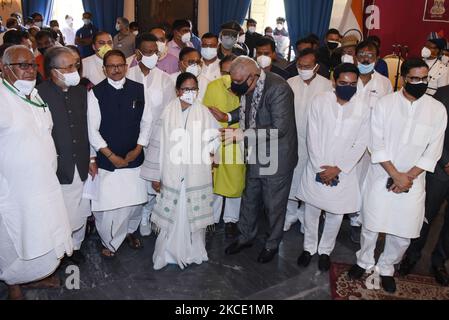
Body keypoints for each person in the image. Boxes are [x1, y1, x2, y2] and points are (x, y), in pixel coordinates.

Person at [348, 58, 447, 294]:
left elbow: (433, 149)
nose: (420, 83)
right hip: (382, 175)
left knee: (403, 232)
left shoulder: (437, 109)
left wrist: (407, 177)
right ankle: (363, 261)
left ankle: (387, 268)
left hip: (413, 181)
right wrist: (395, 174)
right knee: (371, 226)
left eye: (424, 78)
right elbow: (376, 142)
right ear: (403, 78)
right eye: (415, 78)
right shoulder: (385, 104)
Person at [0, 45, 73, 300]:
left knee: (43, 231)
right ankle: (14, 284)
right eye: (23, 65)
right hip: (15, 190)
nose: (30, 70)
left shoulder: (33, 95)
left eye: (33, 65)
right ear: (4, 68)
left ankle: (33, 276)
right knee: (16, 237)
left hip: (44, 183)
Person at [218, 56, 298, 264]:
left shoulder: (278, 88)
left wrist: (241, 135)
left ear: (253, 77)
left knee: (273, 204)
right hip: (255, 151)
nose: (235, 86)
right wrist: (228, 117)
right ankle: (245, 237)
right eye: (233, 81)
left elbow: (279, 128)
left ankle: (272, 244)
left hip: (276, 155)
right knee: (250, 196)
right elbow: (247, 110)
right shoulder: (248, 85)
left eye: (239, 82)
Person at [140, 72, 220, 270]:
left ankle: (194, 252)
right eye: (186, 89)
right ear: (177, 91)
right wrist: (156, 176)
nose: (190, 92)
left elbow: (215, 137)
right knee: (173, 217)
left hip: (195, 174)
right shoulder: (167, 112)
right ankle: (166, 253)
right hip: (171, 174)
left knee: (190, 215)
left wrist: (209, 155)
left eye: (194, 89)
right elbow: (156, 145)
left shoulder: (203, 112)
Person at [296, 63, 369, 272]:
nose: (348, 87)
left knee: (336, 214)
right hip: (317, 166)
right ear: (334, 81)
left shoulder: (364, 107)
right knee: (312, 210)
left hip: (344, 171)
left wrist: (338, 168)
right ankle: (308, 248)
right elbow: (313, 135)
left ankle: (325, 250)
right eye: (343, 83)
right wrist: (321, 167)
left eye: (353, 84)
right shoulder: (320, 101)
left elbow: (361, 142)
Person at [87, 50, 152, 258]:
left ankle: (130, 232)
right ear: (104, 68)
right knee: (110, 206)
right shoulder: (95, 93)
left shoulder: (139, 89)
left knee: (134, 202)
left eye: (120, 65)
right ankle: (109, 241)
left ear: (126, 66)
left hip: (134, 157)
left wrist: (138, 148)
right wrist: (110, 155)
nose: (116, 69)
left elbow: (147, 122)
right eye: (111, 66)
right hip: (109, 159)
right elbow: (92, 129)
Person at [37, 46, 95, 264]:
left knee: (81, 209)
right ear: (54, 71)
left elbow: (87, 127)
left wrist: (91, 158)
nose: (74, 70)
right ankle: (60, 251)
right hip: (57, 166)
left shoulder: (81, 91)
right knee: (61, 213)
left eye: (75, 65)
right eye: (69, 66)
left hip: (81, 161)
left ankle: (76, 246)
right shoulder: (39, 94)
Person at [398, 84, 449, 286]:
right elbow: (436, 133)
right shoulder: (444, 93)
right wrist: (445, 162)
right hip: (441, 168)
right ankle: (411, 255)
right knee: (427, 215)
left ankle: (439, 261)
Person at [126, 33, 176, 236]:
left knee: (154, 178)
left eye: (154, 52)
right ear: (137, 54)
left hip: (157, 136)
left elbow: (169, 110)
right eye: (147, 52)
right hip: (131, 136)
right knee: (135, 179)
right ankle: (134, 217)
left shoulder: (164, 79)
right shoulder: (128, 76)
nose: (152, 55)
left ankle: (148, 213)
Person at [349, 40, 393, 243]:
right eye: (362, 54)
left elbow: (389, 114)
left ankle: (355, 221)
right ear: (355, 56)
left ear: (377, 58)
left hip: (371, 143)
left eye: (370, 55)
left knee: (363, 182)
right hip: (346, 139)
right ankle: (336, 213)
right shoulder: (346, 76)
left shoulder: (384, 82)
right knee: (346, 177)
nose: (366, 58)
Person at [284, 49, 333, 232]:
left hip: (316, 142)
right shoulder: (290, 83)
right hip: (292, 139)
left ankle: (306, 216)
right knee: (291, 178)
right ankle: (290, 213)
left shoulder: (327, 86)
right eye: (300, 66)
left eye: (307, 66)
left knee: (310, 179)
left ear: (316, 67)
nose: (303, 69)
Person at [203, 54, 245, 238]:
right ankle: (211, 219)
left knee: (235, 182)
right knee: (214, 181)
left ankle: (231, 220)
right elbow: (205, 115)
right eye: (225, 72)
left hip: (237, 139)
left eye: (232, 72)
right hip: (216, 138)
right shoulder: (212, 86)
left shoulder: (244, 88)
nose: (228, 76)